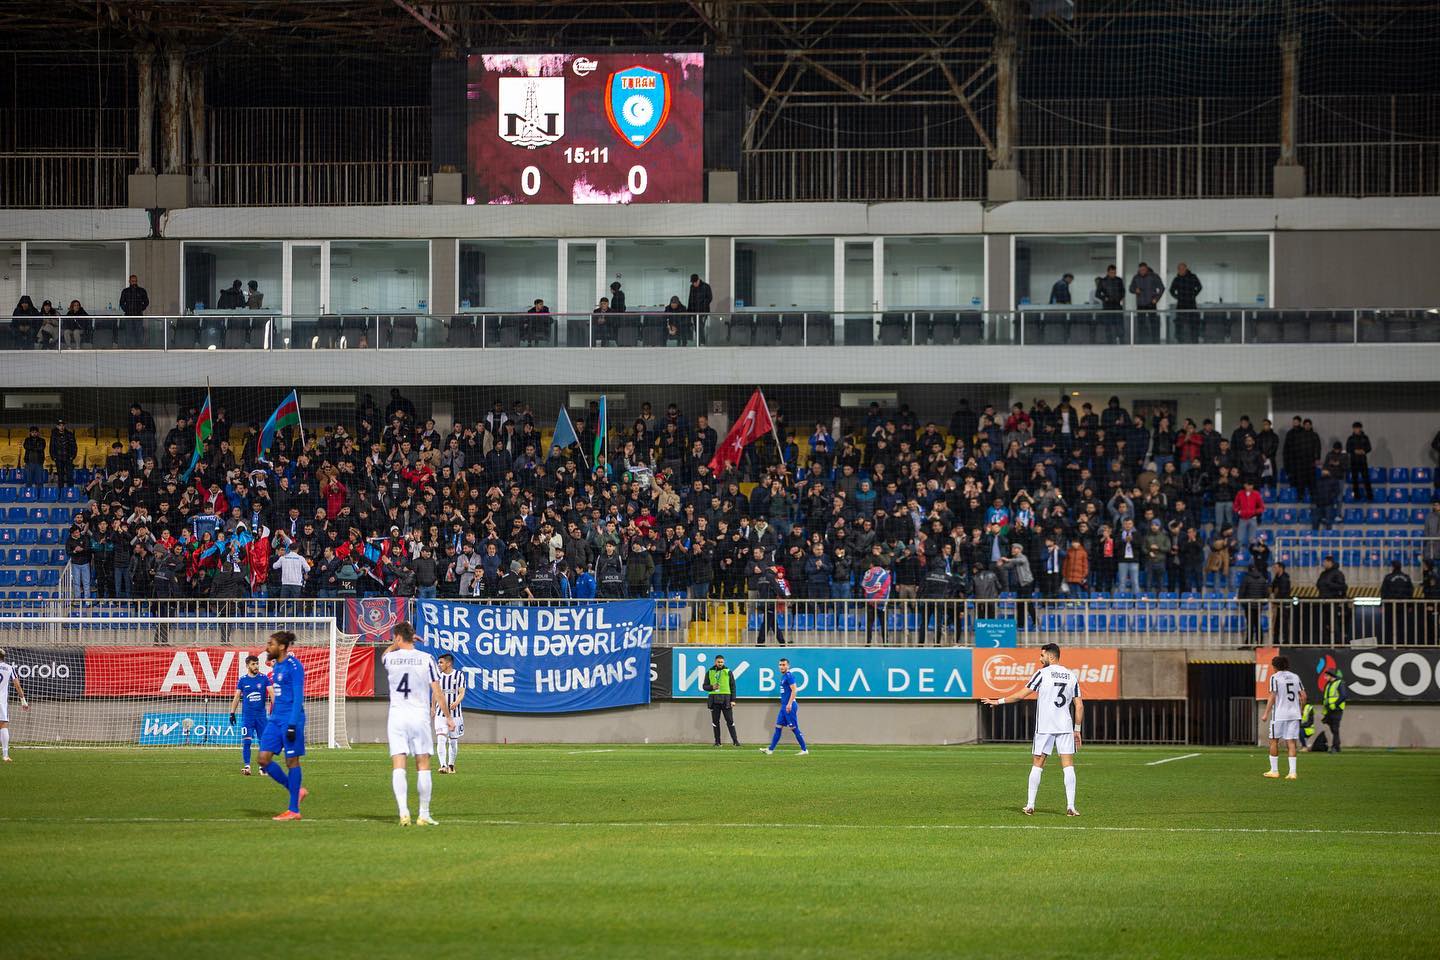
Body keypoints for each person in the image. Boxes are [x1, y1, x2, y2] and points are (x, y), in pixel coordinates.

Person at [981, 642, 1083, 817]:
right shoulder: (1071, 675)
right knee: (1068, 766)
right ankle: (1071, 807)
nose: (1040, 659)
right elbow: (1079, 705)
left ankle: (1030, 806)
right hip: (1065, 725)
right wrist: (1077, 729)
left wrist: (998, 701)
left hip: (1044, 727)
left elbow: (1021, 695)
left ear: (1051, 656)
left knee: (1038, 764)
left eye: (1042, 656)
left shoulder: (1042, 674)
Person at [384, 621, 450, 826]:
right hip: (418, 715)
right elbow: (437, 691)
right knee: (423, 764)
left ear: (397, 637)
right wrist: (447, 716)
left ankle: (404, 812)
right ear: (413, 637)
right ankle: (423, 813)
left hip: (396, 716)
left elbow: (386, 653)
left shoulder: (390, 658)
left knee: (399, 763)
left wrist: (398, 643)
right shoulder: (426, 659)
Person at [257, 630, 309, 821]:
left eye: (270, 644)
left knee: (292, 762)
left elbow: (298, 698)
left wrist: (293, 724)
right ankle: (296, 791)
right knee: (263, 759)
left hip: (290, 719)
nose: (267, 647)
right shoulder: (276, 666)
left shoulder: (294, 667)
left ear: (281, 647)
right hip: (275, 719)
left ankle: (294, 810)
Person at [1260, 654, 1305, 780]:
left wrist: (1266, 713)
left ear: (1275, 667)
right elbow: (1304, 696)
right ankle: (1292, 773)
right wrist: (1301, 710)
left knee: (1273, 740)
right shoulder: (1295, 677)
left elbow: (1273, 696)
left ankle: (1274, 771)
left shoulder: (1275, 678)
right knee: (1291, 742)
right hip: (1294, 714)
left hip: (1279, 714)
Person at [227, 654, 271, 775]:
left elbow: (272, 694)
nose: (256, 666)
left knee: (264, 742)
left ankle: (263, 768)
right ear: (247, 666)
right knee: (247, 741)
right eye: (253, 664)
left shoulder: (264, 678)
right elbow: (237, 697)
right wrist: (232, 713)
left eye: (257, 663)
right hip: (247, 717)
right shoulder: (243, 680)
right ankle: (247, 767)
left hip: (261, 716)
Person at [760, 657, 808, 756]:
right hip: (784, 706)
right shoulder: (784, 676)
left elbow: (794, 690)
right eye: (780, 665)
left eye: (783, 665)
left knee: (794, 728)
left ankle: (804, 749)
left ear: (788, 666)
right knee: (778, 727)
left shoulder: (789, 676)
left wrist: (789, 704)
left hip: (789, 706)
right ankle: (770, 750)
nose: (781, 667)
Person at [433, 653, 466, 774]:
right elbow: (435, 693)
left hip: (455, 714)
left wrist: (456, 702)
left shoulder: (459, 675)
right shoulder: (438, 676)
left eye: (441, 662)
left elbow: (462, 692)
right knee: (441, 739)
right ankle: (443, 765)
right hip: (440, 714)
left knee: (453, 741)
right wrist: (432, 708)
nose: (439, 664)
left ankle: (451, 765)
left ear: (449, 663)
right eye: (439, 662)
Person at [0, 648, 32, 762]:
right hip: (1, 702)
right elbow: (17, 686)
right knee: (3, 725)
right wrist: (23, 701)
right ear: (4, 657)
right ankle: (5, 755)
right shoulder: (9, 668)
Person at [702, 653, 740, 747]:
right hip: (714, 700)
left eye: (722, 662)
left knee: (730, 721)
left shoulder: (728, 671)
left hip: (726, 700)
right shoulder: (709, 672)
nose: (720, 663)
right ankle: (717, 742)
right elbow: (704, 686)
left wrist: (733, 700)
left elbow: (733, 686)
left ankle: (735, 741)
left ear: (724, 662)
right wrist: (712, 687)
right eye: (718, 662)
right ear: (715, 662)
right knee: (715, 722)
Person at [1380, 560, 1415, 643]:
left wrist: (1382, 605)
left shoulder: (1388, 577)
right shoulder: (1406, 577)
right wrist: (1410, 605)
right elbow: (1410, 591)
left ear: (1392, 567)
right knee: (1402, 625)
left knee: (1389, 626)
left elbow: (1383, 592)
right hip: (1403, 605)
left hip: (1390, 605)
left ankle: (1389, 643)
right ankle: (1402, 643)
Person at [861, 555, 892, 646]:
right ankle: (885, 643)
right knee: (884, 624)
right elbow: (887, 587)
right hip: (882, 602)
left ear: (871, 564)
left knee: (869, 623)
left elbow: (864, 585)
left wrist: (872, 596)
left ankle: (868, 643)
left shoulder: (868, 573)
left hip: (871, 603)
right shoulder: (885, 574)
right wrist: (880, 597)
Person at [1345, 422, 1374, 502]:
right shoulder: (1350, 438)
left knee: (1366, 479)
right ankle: (1356, 496)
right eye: (1355, 428)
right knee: (1355, 480)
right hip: (1354, 461)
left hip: (1363, 461)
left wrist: (1363, 451)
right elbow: (1347, 448)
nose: (1356, 430)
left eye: (1358, 428)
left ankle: (1369, 495)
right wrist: (1355, 451)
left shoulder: (1365, 438)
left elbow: (1369, 448)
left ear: (1361, 428)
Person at [1320, 667, 1346, 754]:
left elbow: (1343, 696)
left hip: (1336, 709)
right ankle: (1337, 746)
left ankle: (1334, 747)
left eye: (1326, 676)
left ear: (1331, 675)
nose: (1325, 677)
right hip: (1329, 710)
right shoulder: (1328, 684)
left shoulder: (1339, 683)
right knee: (1333, 729)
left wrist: (1335, 705)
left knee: (1335, 729)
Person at [50, 418, 77, 488]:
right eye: (60, 425)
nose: (61, 427)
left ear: (64, 426)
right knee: (60, 476)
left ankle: (70, 491)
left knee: (69, 475)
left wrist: (72, 456)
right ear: (57, 426)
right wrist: (53, 457)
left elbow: (74, 446)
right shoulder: (54, 435)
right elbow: (52, 446)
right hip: (58, 458)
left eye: (62, 425)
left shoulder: (70, 434)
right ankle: (61, 492)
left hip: (68, 458)